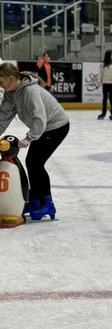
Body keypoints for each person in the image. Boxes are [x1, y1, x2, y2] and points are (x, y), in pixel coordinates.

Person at [0, 61, 70, 221]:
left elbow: (40, 119)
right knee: (32, 162)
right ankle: (36, 200)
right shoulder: (11, 94)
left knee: (35, 162)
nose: (1, 86)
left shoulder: (30, 92)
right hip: (44, 128)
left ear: (11, 78)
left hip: (56, 126)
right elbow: (3, 117)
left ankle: (48, 204)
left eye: (1, 82)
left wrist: (29, 138)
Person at [97, 49, 112, 120]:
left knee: (111, 99)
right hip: (105, 83)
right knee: (104, 99)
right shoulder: (102, 64)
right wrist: (98, 83)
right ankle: (103, 113)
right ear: (108, 55)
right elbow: (100, 74)